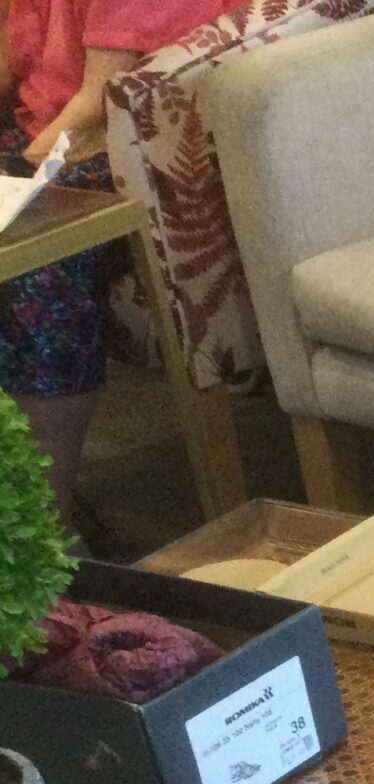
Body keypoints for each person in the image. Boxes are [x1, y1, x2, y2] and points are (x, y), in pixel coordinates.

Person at [0, 0, 231, 525]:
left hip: (127, 145)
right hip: (46, 131)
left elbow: (94, 107)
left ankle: (40, 529)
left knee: (39, 265)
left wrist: (17, 181)